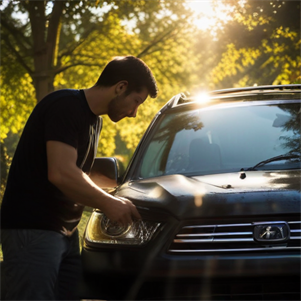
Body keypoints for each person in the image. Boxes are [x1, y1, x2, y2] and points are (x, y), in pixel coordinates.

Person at [0, 55, 158, 301]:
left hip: (66, 233)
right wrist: (108, 203)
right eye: (136, 101)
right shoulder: (65, 106)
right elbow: (62, 172)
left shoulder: (94, 121)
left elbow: (79, 173)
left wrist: (120, 192)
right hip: (33, 229)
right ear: (121, 87)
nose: (134, 113)